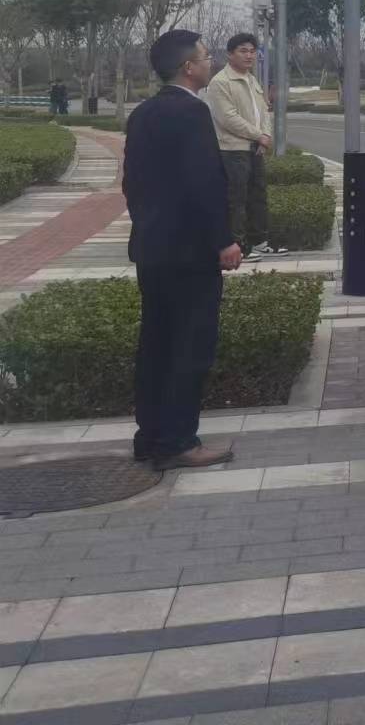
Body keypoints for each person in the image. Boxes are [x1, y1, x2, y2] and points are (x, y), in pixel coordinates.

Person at [123, 30, 244, 470]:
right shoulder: (192, 111)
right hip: (190, 253)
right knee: (191, 347)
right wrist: (223, 240)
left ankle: (150, 436)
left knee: (156, 343)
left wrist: (149, 225)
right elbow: (204, 184)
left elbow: (131, 183)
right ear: (188, 67)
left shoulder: (143, 114)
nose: (211, 62)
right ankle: (178, 442)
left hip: (152, 248)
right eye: (206, 56)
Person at [206, 32, 285, 259]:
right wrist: (259, 135)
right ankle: (238, 246)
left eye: (252, 51)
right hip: (233, 150)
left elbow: (264, 111)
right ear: (230, 54)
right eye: (243, 51)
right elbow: (228, 118)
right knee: (237, 200)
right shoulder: (220, 82)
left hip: (255, 148)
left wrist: (265, 135)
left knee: (258, 196)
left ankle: (259, 241)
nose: (249, 55)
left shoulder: (252, 80)